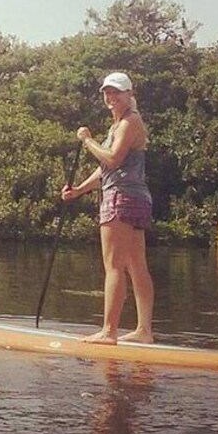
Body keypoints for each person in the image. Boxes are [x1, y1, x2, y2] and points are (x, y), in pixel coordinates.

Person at [61, 72, 154, 345]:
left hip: (121, 199)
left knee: (113, 265)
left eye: (117, 92)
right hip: (135, 198)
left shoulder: (129, 122)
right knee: (136, 264)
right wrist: (78, 190)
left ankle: (109, 332)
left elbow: (111, 160)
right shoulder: (119, 127)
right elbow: (105, 170)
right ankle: (144, 330)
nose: (111, 97)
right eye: (107, 92)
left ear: (129, 94)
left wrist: (87, 140)